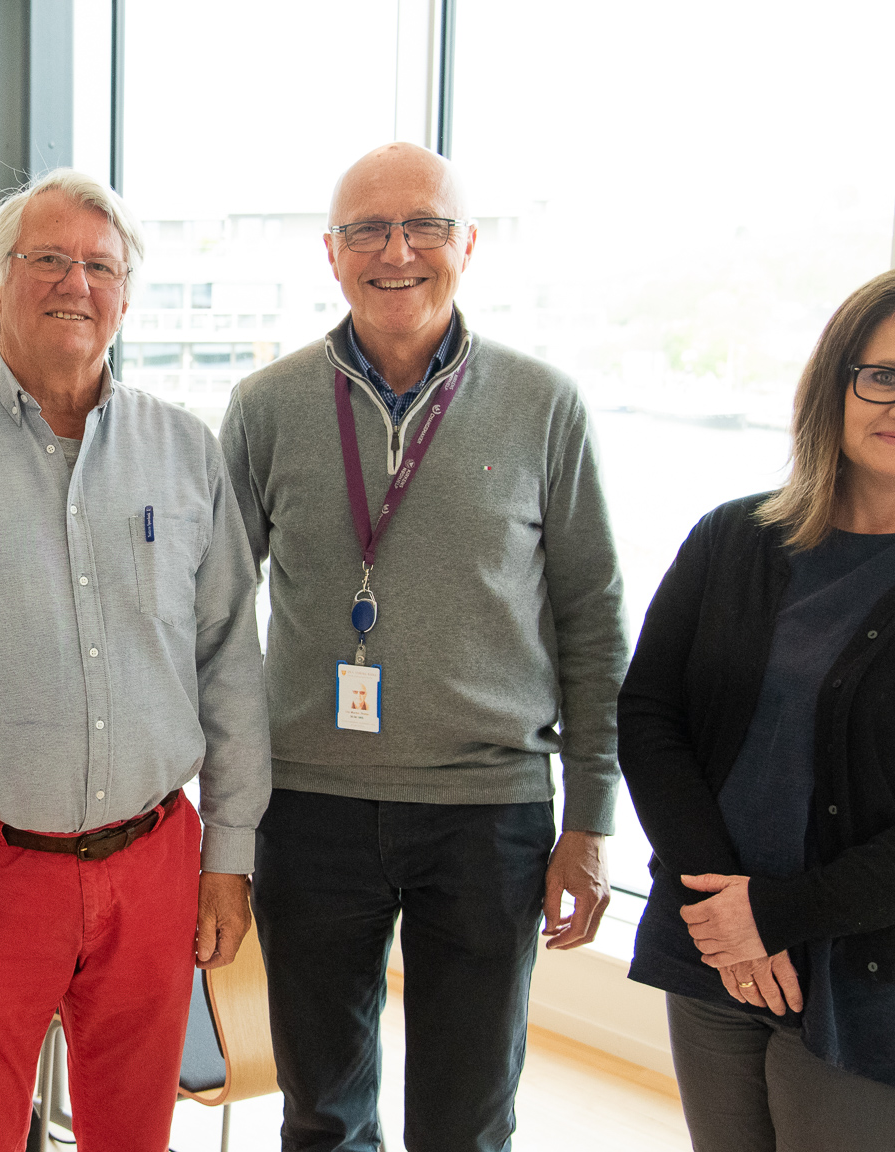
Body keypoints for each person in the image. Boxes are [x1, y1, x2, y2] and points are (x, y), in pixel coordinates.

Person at [219, 142, 627, 1152]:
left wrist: (590, 816)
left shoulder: (542, 405)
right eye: (366, 229)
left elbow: (593, 615)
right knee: (320, 1111)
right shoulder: (266, 407)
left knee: (467, 1117)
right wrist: (219, 823)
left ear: (467, 245)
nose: (394, 251)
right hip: (308, 807)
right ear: (329, 253)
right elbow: (210, 621)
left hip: (486, 813)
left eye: (423, 227)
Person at [0, 168, 270, 1152]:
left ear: (124, 295)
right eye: (47, 259)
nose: (74, 283)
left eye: (99, 266)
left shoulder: (185, 451)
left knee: (133, 1134)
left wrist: (230, 854)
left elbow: (229, 667)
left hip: (154, 861)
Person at [619, 265, 895, 1151]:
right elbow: (650, 717)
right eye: (885, 375)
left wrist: (778, 916)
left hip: (884, 986)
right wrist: (729, 915)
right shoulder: (732, 539)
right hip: (716, 955)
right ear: (837, 383)